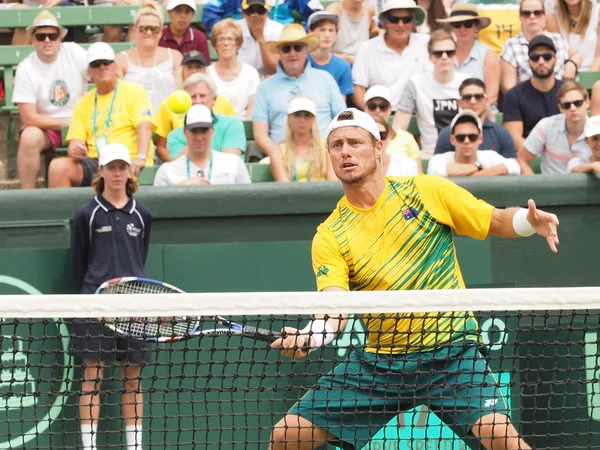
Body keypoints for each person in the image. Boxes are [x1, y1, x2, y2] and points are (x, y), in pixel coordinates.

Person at [269, 107, 560, 450]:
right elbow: (334, 306)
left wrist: (528, 223)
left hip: (452, 353)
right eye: (337, 145)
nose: (346, 151)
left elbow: (494, 220)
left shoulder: (426, 191)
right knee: (287, 435)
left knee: (502, 440)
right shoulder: (331, 235)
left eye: (355, 143)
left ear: (378, 148)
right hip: (381, 364)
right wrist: (311, 336)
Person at [70, 143, 152, 450]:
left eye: (122, 167)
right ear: (101, 171)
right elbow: (79, 262)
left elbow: (139, 259)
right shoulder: (86, 215)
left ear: (129, 170)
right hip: (94, 305)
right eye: (111, 167)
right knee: (93, 376)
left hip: (134, 307)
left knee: (133, 379)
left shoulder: (142, 214)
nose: (117, 173)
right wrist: (89, 299)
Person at [48, 43, 156, 188]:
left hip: (130, 159)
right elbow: (75, 142)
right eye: (96, 64)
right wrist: (75, 149)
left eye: (106, 62)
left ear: (115, 66)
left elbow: (145, 126)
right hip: (99, 162)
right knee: (58, 167)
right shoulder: (83, 103)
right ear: (89, 72)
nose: (102, 67)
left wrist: (141, 157)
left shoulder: (135, 91)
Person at [253, 24, 346, 178]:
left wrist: (330, 149)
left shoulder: (326, 80)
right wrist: (277, 153)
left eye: (298, 47)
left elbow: (342, 122)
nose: (293, 53)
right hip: (282, 158)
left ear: (306, 50)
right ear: (279, 53)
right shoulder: (265, 87)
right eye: (286, 48)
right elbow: (260, 134)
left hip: (325, 155)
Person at [13, 11, 87, 189]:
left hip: (82, 122)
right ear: (32, 40)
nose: (47, 40)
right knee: (29, 137)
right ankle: (27, 197)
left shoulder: (75, 52)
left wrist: (80, 123)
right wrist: (66, 123)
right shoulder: (26, 68)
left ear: (60, 39)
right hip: (47, 127)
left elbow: (99, 73)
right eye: (41, 36)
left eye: (52, 36)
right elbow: (29, 118)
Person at [393, 30, 468, 158]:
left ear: (455, 56)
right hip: (430, 152)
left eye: (449, 53)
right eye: (438, 54)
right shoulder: (416, 83)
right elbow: (399, 126)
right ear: (430, 57)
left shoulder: (467, 83)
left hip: (465, 150)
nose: (444, 57)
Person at [352, 0, 429, 110]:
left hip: (419, 114)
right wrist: (371, 113)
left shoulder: (426, 43)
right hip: (379, 113)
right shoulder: (367, 48)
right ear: (385, 22)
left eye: (406, 19)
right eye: (394, 20)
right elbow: (358, 88)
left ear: (413, 22)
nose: (401, 25)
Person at [154, 105, 251, 186]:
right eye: (194, 131)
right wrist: (180, 189)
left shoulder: (233, 163)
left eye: (204, 131)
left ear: (212, 132)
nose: (199, 137)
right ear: (185, 133)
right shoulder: (167, 171)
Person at [115, 0, 183, 113]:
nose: (149, 33)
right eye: (144, 28)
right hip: (132, 123)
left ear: (161, 32)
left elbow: (181, 91)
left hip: (168, 121)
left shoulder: (175, 57)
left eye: (154, 29)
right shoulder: (121, 60)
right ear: (136, 30)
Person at [500, 0, 578, 93]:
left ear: (545, 16)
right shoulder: (511, 45)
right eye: (526, 13)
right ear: (520, 17)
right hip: (526, 99)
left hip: (559, 99)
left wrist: (571, 64)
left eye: (537, 13)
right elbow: (508, 87)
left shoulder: (557, 40)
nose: (532, 17)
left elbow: (577, 54)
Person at [503, 34, 563, 155]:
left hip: (562, 155)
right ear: (529, 61)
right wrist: (538, 159)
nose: (541, 62)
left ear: (555, 60)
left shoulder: (567, 92)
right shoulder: (514, 96)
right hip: (528, 156)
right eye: (535, 57)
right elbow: (514, 138)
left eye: (547, 56)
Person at [165, 74, 247, 161]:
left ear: (214, 99)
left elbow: (230, 162)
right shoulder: (175, 136)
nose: (198, 101)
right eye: (192, 97)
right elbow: (179, 166)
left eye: (202, 96)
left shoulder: (232, 124)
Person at [517, 81, 591, 175]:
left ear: (587, 102)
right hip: (550, 187)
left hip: (585, 188)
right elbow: (521, 159)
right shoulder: (546, 126)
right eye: (566, 105)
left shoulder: (597, 131)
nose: (573, 108)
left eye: (578, 103)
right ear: (560, 108)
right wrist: (533, 187)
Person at [437, 4, 500, 108]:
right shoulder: (444, 53)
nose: (462, 28)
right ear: (452, 27)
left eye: (468, 24)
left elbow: (491, 96)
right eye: (457, 24)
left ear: (476, 26)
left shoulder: (488, 54)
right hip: (449, 112)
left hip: (482, 114)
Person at [435, 78, 517, 158]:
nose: (473, 101)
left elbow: (512, 166)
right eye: (467, 97)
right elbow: (438, 167)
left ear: (486, 100)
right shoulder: (447, 134)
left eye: (478, 97)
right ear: (459, 102)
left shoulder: (501, 133)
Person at [428, 110, 521, 177]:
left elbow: (514, 166)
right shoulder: (441, 158)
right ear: (452, 140)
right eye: (461, 137)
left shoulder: (488, 156)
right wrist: (478, 168)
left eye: (472, 137)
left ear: (480, 139)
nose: (466, 141)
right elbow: (434, 170)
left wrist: (476, 175)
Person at [269, 95, 337, 182]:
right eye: (297, 115)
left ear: (313, 119)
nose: (302, 120)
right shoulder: (278, 151)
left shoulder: (327, 148)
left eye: (307, 115)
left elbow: (332, 184)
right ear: (289, 118)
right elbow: (284, 188)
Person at [207, 18, 261, 120]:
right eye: (221, 39)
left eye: (230, 39)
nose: (226, 43)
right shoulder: (207, 73)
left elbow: (252, 109)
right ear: (215, 45)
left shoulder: (251, 73)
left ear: (238, 44)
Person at [363, 85, 423, 172]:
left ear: (389, 109)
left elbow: (419, 174)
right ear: (365, 108)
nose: (377, 110)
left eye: (383, 106)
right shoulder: (356, 137)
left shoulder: (406, 137)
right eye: (372, 106)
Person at [307, 11, 354, 101]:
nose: (327, 35)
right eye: (322, 30)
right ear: (310, 33)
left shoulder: (343, 66)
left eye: (331, 30)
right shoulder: (301, 62)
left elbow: (340, 103)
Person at [201, 0, 322, 34]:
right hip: (243, 43)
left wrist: (302, 34)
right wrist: (227, 32)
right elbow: (209, 12)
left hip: (281, 44)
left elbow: (317, 14)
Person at [547, 0, 600, 71]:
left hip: (594, 74)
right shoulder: (552, 15)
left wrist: (588, 78)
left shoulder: (597, 11)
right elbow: (558, 55)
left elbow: (598, 57)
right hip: (566, 74)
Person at [237, 0, 284, 77]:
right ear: (243, 13)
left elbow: (274, 70)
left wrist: (261, 39)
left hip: (269, 80)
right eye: (251, 11)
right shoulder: (235, 29)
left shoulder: (279, 30)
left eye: (260, 11)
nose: (256, 15)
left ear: (267, 12)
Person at [326, 0, 380, 65]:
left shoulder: (369, 10)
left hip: (363, 64)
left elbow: (374, 31)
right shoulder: (333, 11)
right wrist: (348, 59)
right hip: (338, 64)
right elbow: (323, 51)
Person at [159, 0, 211, 64]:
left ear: (192, 15)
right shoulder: (159, 35)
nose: (183, 16)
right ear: (169, 13)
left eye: (187, 11)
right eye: (178, 10)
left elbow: (205, 67)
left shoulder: (199, 38)